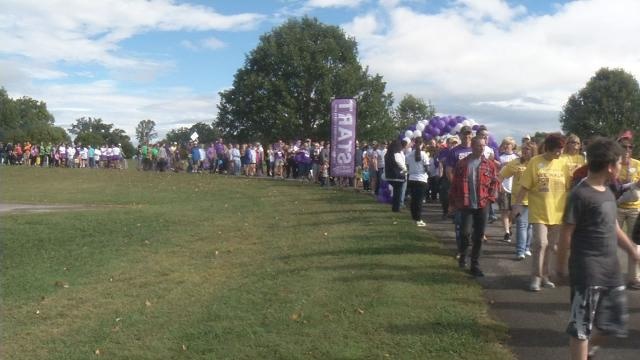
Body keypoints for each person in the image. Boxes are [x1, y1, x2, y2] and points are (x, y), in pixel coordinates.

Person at [556, 137, 640, 360]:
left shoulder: (608, 191)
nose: (622, 167)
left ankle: (588, 352)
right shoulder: (580, 194)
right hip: (587, 271)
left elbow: (612, 226)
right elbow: (566, 234)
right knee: (581, 327)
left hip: (610, 270)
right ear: (610, 166)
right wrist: (561, 268)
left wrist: (632, 250)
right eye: (620, 163)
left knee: (614, 322)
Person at [513, 133, 571, 291]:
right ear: (548, 148)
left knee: (551, 246)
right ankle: (535, 277)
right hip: (539, 211)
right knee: (540, 243)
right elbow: (525, 186)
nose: (559, 153)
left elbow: (569, 187)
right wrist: (517, 204)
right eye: (556, 150)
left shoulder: (563, 164)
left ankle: (545, 275)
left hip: (558, 213)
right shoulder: (535, 162)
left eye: (561, 150)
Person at [449, 136, 500, 277]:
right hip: (466, 204)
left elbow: (495, 183)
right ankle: (463, 254)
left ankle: (475, 265)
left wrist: (491, 198)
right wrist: (452, 203)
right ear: (472, 146)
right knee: (465, 233)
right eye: (479, 145)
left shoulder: (489, 164)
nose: (482, 148)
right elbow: (454, 185)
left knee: (478, 236)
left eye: (483, 145)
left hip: (482, 204)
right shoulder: (462, 164)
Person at [500, 141, 537, 260]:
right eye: (524, 149)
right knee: (522, 225)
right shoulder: (515, 163)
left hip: (534, 199)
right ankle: (520, 251)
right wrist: (499, 187)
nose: (525, 151)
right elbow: (501, 175)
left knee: (530, 226)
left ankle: (526, 248)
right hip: (519, 200)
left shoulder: (537, 163)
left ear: (534, 151)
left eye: (528, 149)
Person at [615, 133, 640, 290]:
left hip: (634, 208)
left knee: (635, 244)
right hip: (615, 207)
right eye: (624, 146)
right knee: (610, 242)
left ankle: (635, 278)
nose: (627, 149)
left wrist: (636, 184)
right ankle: (611, 276)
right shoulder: (613, 163)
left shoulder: (637, 164)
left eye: (630, 146)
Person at [497, 137, 520, 242]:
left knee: (514, 213)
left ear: (513, 146)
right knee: (504, 211)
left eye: (509, 144)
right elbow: (496, 173)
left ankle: (509, 225)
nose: (506, 146)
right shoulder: (500, 158)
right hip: (503, 187)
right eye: (505, 144)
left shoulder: (517, 158)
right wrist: (498, 185)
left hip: (515, 188)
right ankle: (506, 232)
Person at [406, 137, 430, 227]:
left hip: (412, 179)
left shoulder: (409, 155)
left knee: (414, 200)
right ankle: (418, 219)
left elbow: (407, 167)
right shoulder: (424, 154)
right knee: (419, 201)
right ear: (422, 144)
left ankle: (414, 217)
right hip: (421, 179)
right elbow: (427, 168)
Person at [384, 139, 407, 212]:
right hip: (398, 175)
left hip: (389, 176)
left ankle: (395, 207)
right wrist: (406, 169)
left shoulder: (387, 154)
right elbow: (400, 163)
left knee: (395, 192)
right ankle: (396, 208)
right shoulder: (396, 154)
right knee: (398, 193)